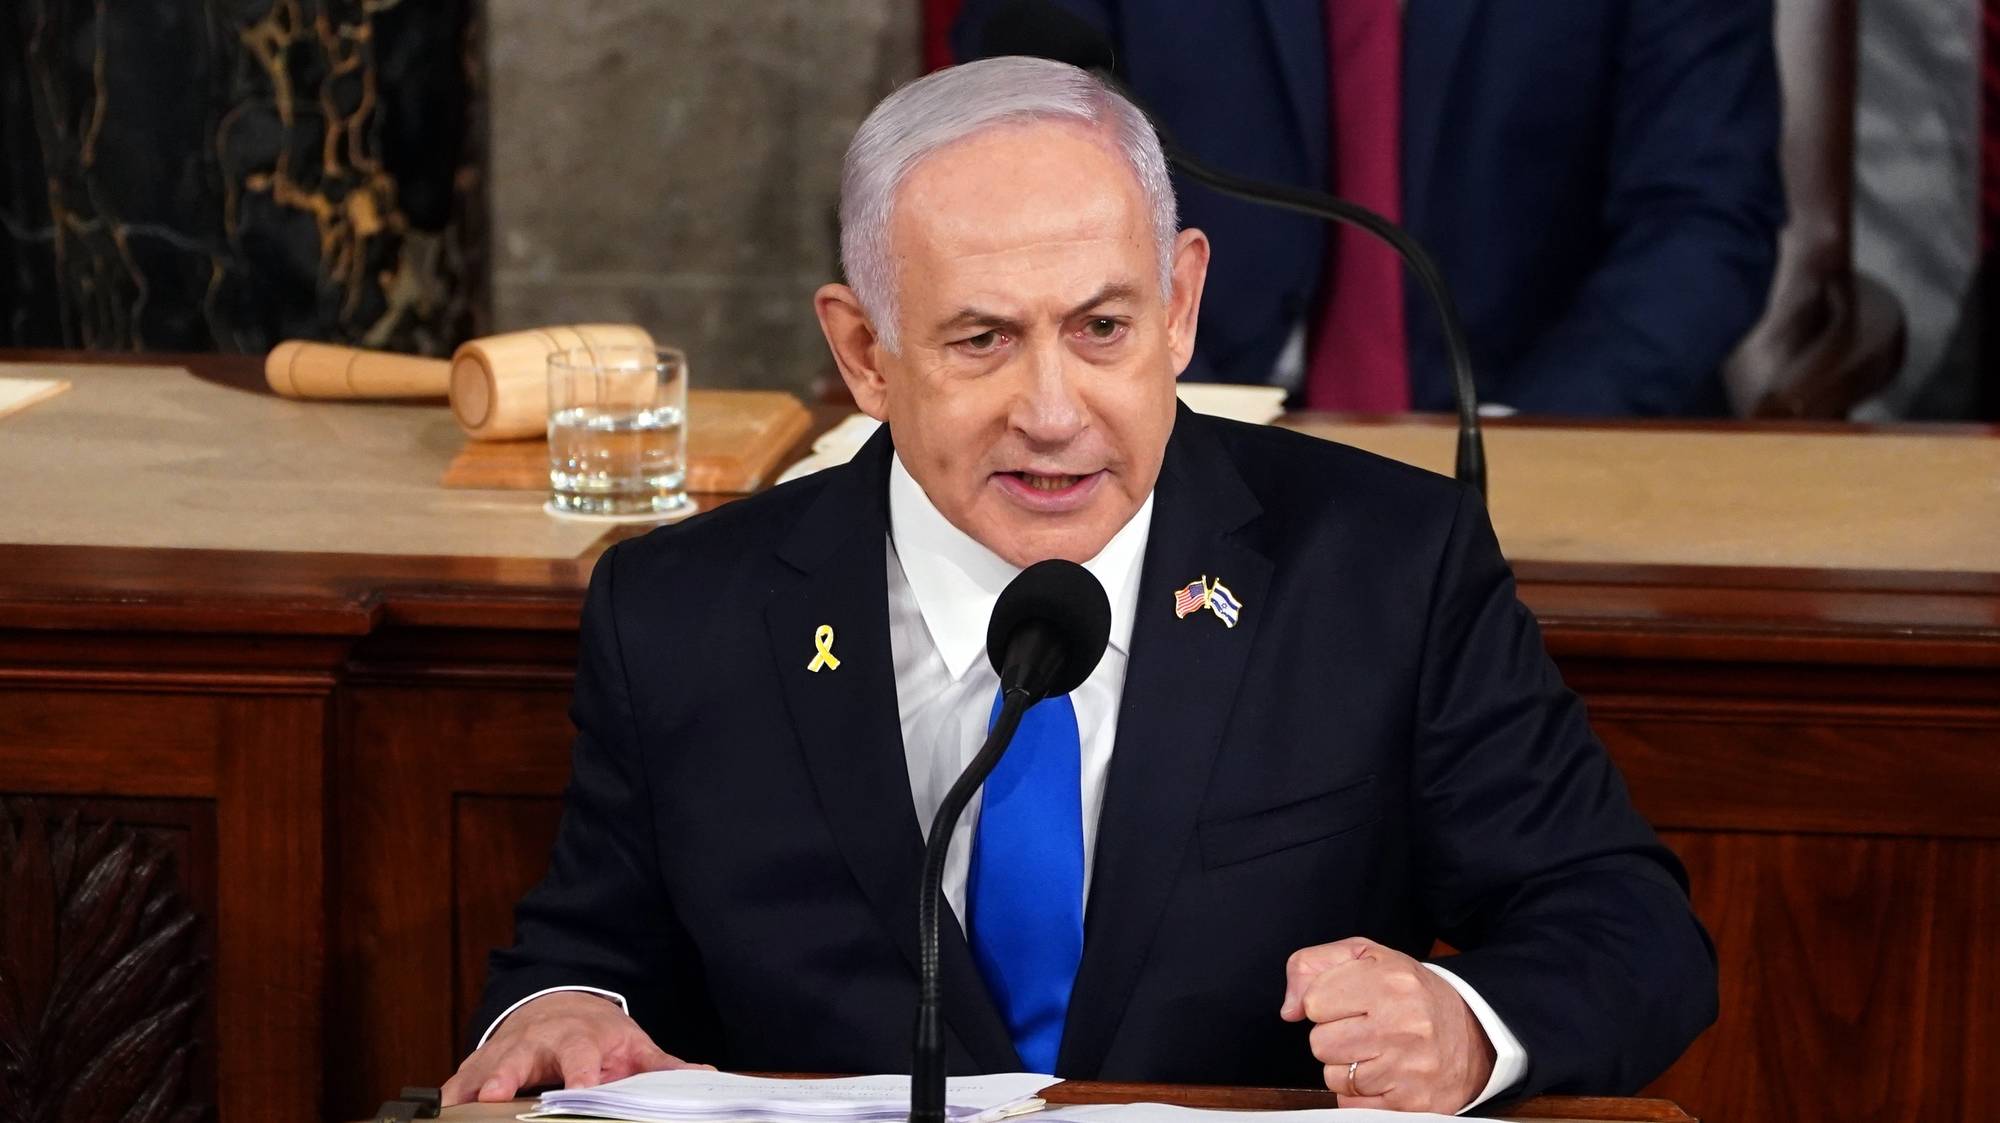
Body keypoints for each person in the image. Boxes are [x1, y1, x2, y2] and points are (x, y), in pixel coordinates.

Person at [443, 57, 1716, 1114]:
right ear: (862, 354)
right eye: (981, 338)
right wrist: (562, 1012)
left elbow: (1622, 925)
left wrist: (1463, 1022)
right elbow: (581, 955)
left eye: (1102, 329)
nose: (1052, 414)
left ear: (1180, 305)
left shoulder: (1381, 565)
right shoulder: (679, 615)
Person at [954, 0, 1786, 417]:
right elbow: (1022, 174)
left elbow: (1703, 219)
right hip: (1181, 429)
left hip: (1541, 427)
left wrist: (1526, 436)